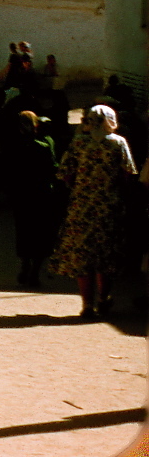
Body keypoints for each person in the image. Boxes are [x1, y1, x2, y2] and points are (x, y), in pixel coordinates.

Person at [48, 106, 137, 320]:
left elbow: (65, 173)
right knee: (104, 256)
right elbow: (128, 173)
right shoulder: (118, 142)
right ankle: (103, 298)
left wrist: (80, 187)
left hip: (82, 207)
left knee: (83, 257)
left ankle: (87, 304)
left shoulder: (79, 142)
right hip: (109, 206)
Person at [6, 112, 60, 289]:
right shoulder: (44, 145)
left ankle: (24, 265)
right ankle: (35, 271)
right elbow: (53, 168)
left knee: (24, 231)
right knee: (42, 233)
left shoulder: (13, 146)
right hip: (42, 194)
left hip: (22, 195)